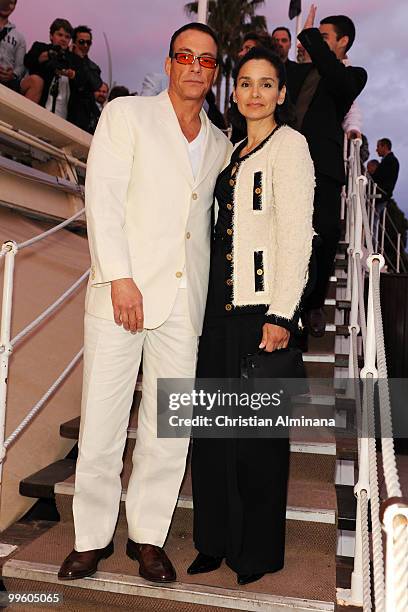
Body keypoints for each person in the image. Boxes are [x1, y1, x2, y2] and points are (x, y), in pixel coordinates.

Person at [58, 22, 231, 584]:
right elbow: (102, 198)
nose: (195, 67)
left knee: (167, 429)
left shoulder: (220, 144)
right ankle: (90, 538)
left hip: (185, 304)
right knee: (105, 423)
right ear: (170, 60)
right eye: (186, 56)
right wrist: (121, 278)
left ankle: (149, 538)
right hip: (121, 294)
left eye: (206, 61)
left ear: (214, 72)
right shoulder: (127, 115)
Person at [188, 47, 314, 585]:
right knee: (213, 436)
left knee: (259, 441)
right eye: (245, 83)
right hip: (217, 313)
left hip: (263, 314)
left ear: (281, 94)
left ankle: (255, 553)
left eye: (267, 84)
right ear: (233, 92)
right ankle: (213, 542)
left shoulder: (292, 147)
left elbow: (296, 236)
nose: (255, 93)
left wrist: (283, 313)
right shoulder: (231, 151)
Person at [289, 9, 367, 336]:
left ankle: (315, 302)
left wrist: (309, 38)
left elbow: (335, 79)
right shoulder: (295, 72)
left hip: (324, 168)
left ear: (343, 42)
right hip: (287, 163)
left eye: (324, 38)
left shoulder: (353, 76)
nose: (316, 44)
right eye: (316, 38)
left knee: (325, 235)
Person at [21, 18, 75, 118]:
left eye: (67, 37)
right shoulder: (40, 47)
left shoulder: (71, 59)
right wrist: (49, 54)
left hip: (61, 114)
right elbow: (28, 61)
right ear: (51, 36)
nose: (63, 39)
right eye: (60, 35)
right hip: (38, 105)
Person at [67, 25, 102, 133]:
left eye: (88, 42)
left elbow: (95, 85)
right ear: (74, 42)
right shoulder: (65, 58)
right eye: (82, 42)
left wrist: (80, 59)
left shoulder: (92, 67)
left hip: (80, 115)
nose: (85, 45)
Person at [0, 0, 26, 92]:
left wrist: (12, 75)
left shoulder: (20, 38)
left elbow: (20, 66)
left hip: (5, 85)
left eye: (11, 2)